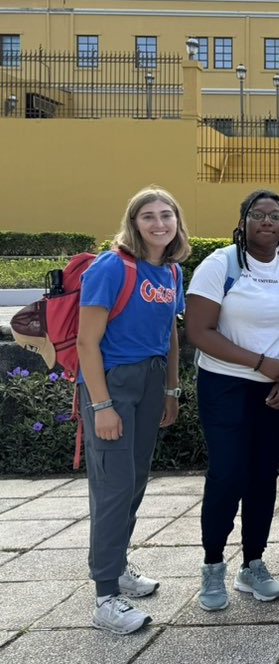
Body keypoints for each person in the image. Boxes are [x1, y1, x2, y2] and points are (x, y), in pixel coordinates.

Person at [186, 190, 279, 612]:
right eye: (257, 214)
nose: (267, 221)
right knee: (227, 475)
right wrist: (260, 362)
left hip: (275, 389)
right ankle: (213, 565)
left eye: (275, 215)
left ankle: (253, 564)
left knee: (262, 477)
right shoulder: (219, 265)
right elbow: (199, 332)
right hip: (225, 385)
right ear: (243, 221)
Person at [77, 187, 190, 635]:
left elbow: (171, 333)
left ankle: (118, 564)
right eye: (149, 216)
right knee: (114, 486)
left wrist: (172, 389)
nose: (159, 223)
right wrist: (102, 405)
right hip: (113, 383)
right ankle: (106, 595)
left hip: (151, 380)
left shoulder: (171, 271)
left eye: (167, 215)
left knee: (135, 479)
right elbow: (87, 342)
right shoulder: (111, 267)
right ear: (133, 222)